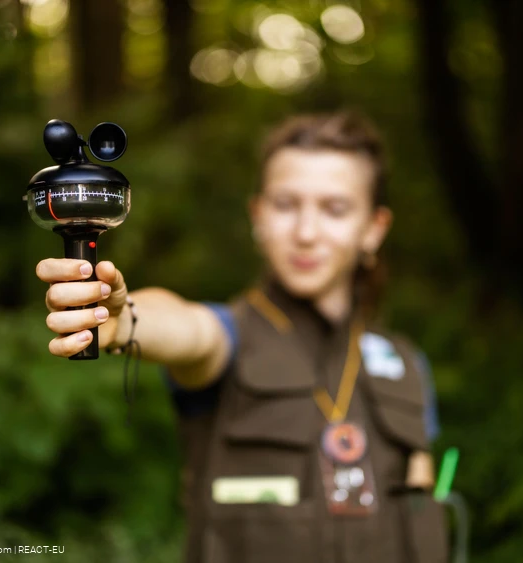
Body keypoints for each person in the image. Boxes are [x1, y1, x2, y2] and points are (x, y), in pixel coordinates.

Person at [35, 109, 450, 562]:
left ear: (374, 229)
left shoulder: (406, 365)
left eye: (335, 209)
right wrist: (125, 316)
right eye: (286, 205)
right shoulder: (231, 334)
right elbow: (189, 331)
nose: (306, 233)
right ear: (257, 215)